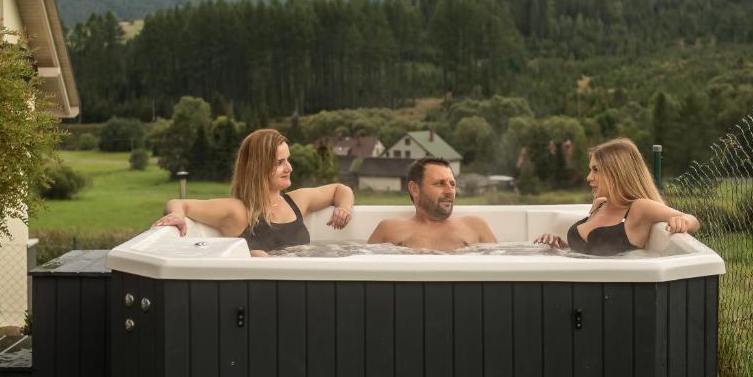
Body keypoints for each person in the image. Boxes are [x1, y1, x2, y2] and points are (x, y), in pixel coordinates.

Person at [153, 128, 355, 255]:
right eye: (279, 163)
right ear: (258, 168)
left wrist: (344, 208)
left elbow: (340, 189)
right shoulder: (238, 211)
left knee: (387, 226)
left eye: (288, 160)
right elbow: (179, 203)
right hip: (265, 293)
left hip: (305, 282)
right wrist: (178, 215)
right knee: (258, 256)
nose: (289, 168)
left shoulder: (297, 202)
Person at [534, 137, 700, 255]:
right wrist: (559, 245)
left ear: (617, 173)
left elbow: (693, 220)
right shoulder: (600, 204)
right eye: (590, 169)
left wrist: (683, 221)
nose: (589, 177)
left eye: (596, 170)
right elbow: (585, 253)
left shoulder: (639, 208)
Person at [367, 156, 496, 251]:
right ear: (414, 189)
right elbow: (363, 267)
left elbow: (500, 266)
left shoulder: (475, 226)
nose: (450, 191)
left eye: (452, 184)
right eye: (440, 183)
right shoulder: (388, 229)